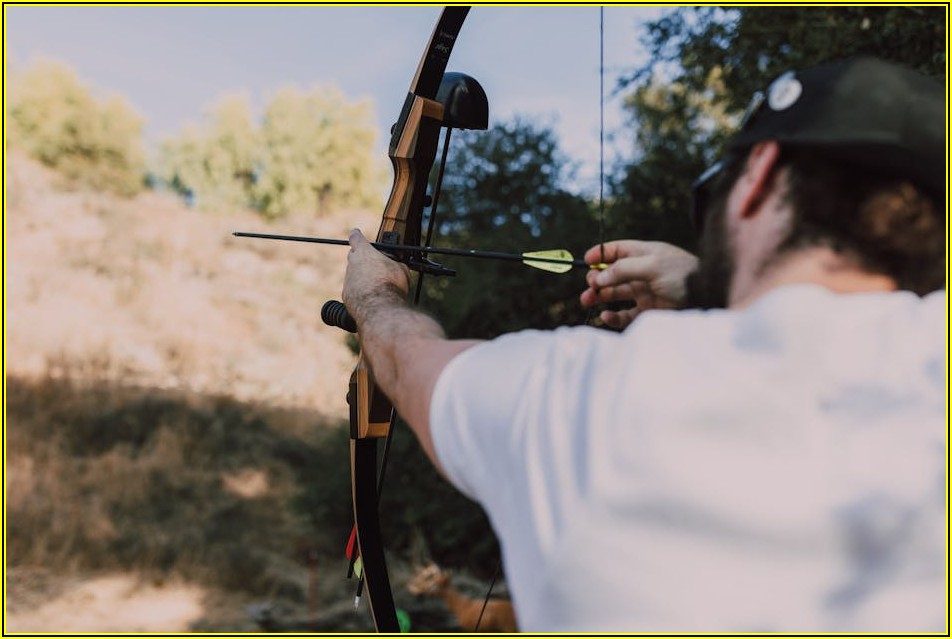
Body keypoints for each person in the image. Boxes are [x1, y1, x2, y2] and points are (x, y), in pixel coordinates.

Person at [340, 57, 946, 632]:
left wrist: (375, 297)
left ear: (758, 174)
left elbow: (408, 362)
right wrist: (705, 289)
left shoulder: (573, 397)